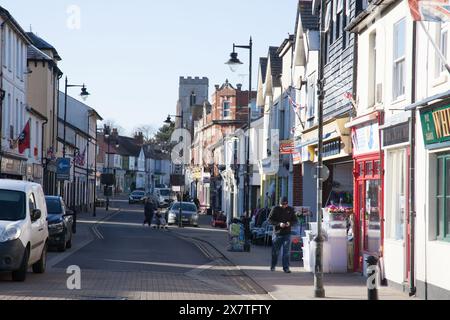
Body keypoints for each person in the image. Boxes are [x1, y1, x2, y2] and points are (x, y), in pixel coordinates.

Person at [268, 196, 298, 273]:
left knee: (286, 252)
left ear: (287, 203)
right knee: (275, 252)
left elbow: (295, 220)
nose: (284, 206)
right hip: (277, 234)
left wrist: (289, 223)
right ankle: (273, 266)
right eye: (282, 204)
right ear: (279, 203)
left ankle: (286, 268)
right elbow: (270, 220)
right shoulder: (275, 209)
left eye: (285, 204)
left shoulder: (290, 209)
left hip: (287, 233)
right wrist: (279, 224)